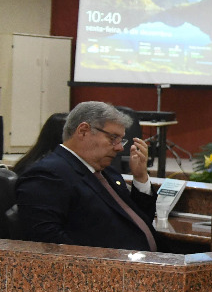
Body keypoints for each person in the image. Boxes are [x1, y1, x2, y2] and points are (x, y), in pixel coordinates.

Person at [15, 102, 157, 251]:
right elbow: (48, 244)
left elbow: (139, 219)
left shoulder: (107, 172)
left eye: (121, 140)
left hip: (148, 260)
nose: (120, 147)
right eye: (113, 138)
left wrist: (140, 177)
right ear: (83, 131)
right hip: (112, 269)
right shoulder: (47, 175)